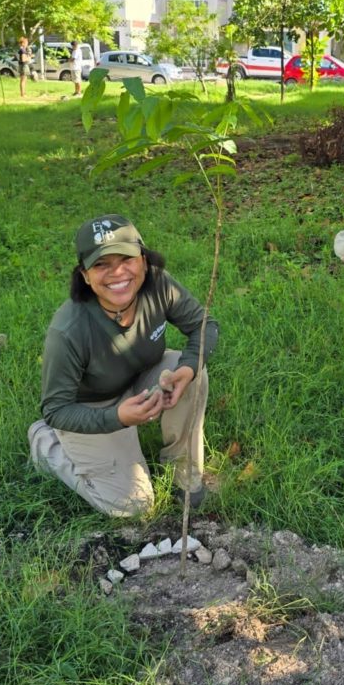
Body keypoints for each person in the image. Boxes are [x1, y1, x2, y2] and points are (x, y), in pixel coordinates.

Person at [28, 214, 219, 517]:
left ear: (143, 260)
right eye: (102, 264)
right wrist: (117, 417)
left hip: (139, 379)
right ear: (85, 275)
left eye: (126, 258)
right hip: (92, 407)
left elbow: (204, 325)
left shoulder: (158, 283)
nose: (117, 272)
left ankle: (183, 470)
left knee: (188, 368)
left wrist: (187, 370)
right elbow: (55, 409)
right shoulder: (68, 330)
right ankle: (46, 445)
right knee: (133, 505)